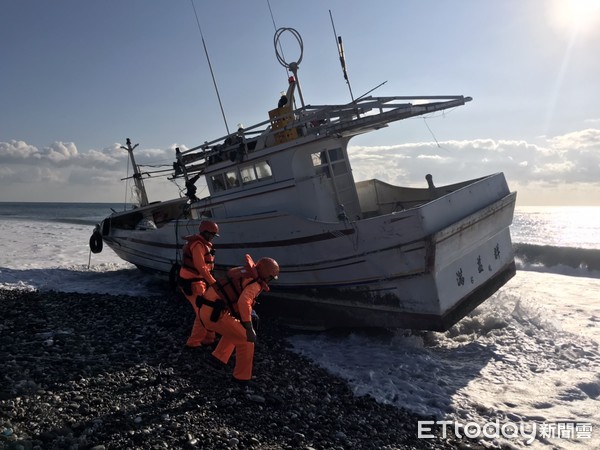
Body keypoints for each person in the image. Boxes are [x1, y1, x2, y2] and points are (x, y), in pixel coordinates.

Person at [198, 255, 280, 385]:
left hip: (208, 310)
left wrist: (246, 321)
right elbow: (243, 302)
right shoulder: (255, 284)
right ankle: (241, 378)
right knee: (247, 339)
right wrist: (249, 328)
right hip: (214, 314)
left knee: (236, 329)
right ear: (266, 275)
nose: (270, 281)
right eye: (270, 278)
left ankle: (218, 357)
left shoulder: (245, 273)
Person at [178, 220, 220, 348]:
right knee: (203, 312)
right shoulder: (198, 245)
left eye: (214, 234)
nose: (213, 237)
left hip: (199, 282)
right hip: (193, 283)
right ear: (205, 232)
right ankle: (193, 342)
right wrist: (213, 283)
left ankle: (209, 338)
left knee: (209, 308)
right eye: (212, 234)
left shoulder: (203, 244)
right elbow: (200, 266)